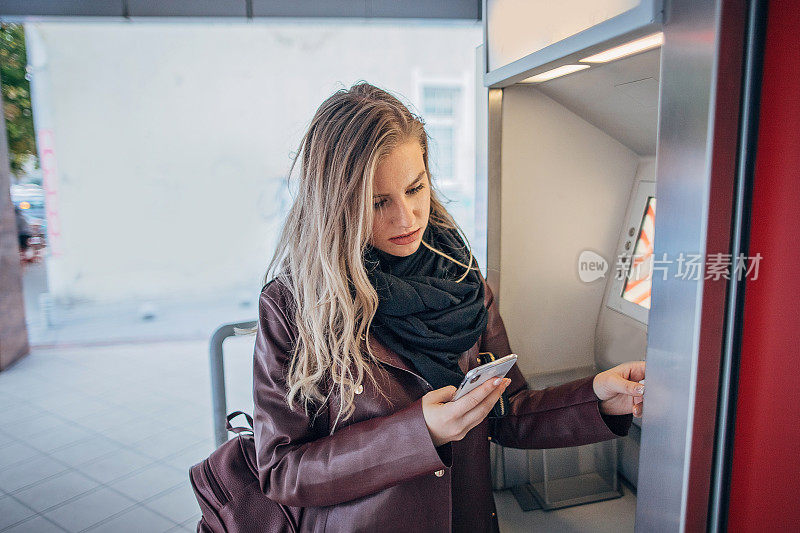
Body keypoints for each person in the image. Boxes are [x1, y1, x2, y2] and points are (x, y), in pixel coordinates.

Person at [251, 82, 645, 532]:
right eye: (379, 203)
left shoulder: (460, 280)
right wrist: (420, 434)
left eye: (415, 188)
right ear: (335, 204)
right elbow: (282, 470)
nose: (407, 218)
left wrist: (597, 397)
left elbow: (507, 410)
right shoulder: (292, 307)